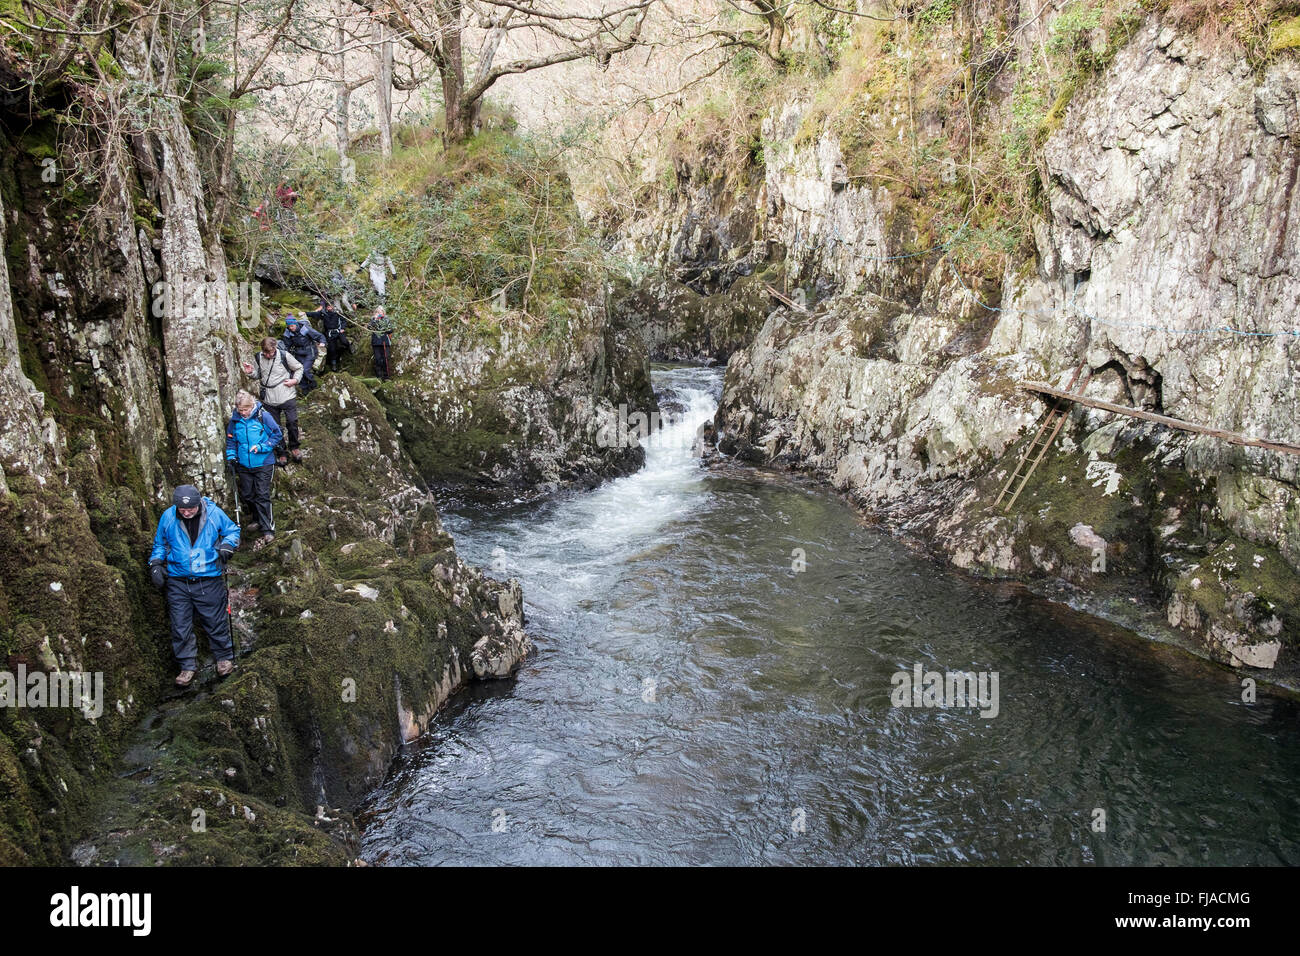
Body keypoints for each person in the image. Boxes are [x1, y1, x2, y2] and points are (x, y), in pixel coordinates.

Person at [149, 484, 240, 687]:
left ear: (199, 504)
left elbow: (232, 531)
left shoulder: (214, 513)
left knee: (215, 620)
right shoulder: (168, 517)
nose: (187, 512)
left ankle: (224, 657)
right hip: (177, 580)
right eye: (183, 510)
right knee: (180, 625)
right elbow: (160, 544)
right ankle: (187, 666)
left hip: (208, 577)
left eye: (191, 509)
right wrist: (155, 563)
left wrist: (227, 545)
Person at [225, 390, 281, 549]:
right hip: (244, 464)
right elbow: (231, 441)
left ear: (252, 406)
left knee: (262, 494)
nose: (243, 413)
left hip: (263, 462)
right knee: (248, 494)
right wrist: (231, 457)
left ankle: (268, 529)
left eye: (246, 410)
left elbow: (277, 434)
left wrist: (263, 447)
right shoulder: (235, 421)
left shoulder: (263, 416)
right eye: (240, 410)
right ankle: (257, 519)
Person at [243, 336, 303, 465]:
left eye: (270, 352)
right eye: (265, 353)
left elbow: (299, 368)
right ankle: (281, 452)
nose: (268, 355)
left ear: (275, 348)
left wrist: (295, 380)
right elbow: (259, 375)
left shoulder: (284, 355)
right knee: (274, 427)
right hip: (269, 398)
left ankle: (294, 447)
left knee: (292, 422)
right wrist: (251, 372)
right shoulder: (259, 357)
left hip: (287, 394)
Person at [281, 315, 327, 396]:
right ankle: (305, 388)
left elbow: (319, 336)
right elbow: (286, 346)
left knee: (305, 370)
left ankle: (313, 384)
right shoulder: (287, 333)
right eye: (289, 326)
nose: (291, 328)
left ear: (295, 324)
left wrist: (322, 342)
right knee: (298, 370)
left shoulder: (305, 328)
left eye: (292, 326)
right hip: (298, 352)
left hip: (310, 351)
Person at [307, 300, 351, 373]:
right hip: (330, 333)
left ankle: (348, 348)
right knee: (332, 349)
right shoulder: (323, 314)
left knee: (344, 342)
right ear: (326, 307)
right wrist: (305, 313)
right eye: (328, 306)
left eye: (331, 306)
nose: (330, 308)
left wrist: (342, 328)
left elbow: (344, 320)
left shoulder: (337, 313)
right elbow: (314, 314)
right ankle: (334, 364)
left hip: (338, 331)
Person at [368, 307, 395, 381]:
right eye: (378, 312)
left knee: (385, 358)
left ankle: (386, 377)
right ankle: (379, 376)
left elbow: (391, 329)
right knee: (377, 359)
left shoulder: (386, 319)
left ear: (383, 312)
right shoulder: (373, 319)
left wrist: (385, 330)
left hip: (385, 341)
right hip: (376, 342)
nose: (380, 313)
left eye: (381, 312)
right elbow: (369, 327)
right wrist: (375, 319)